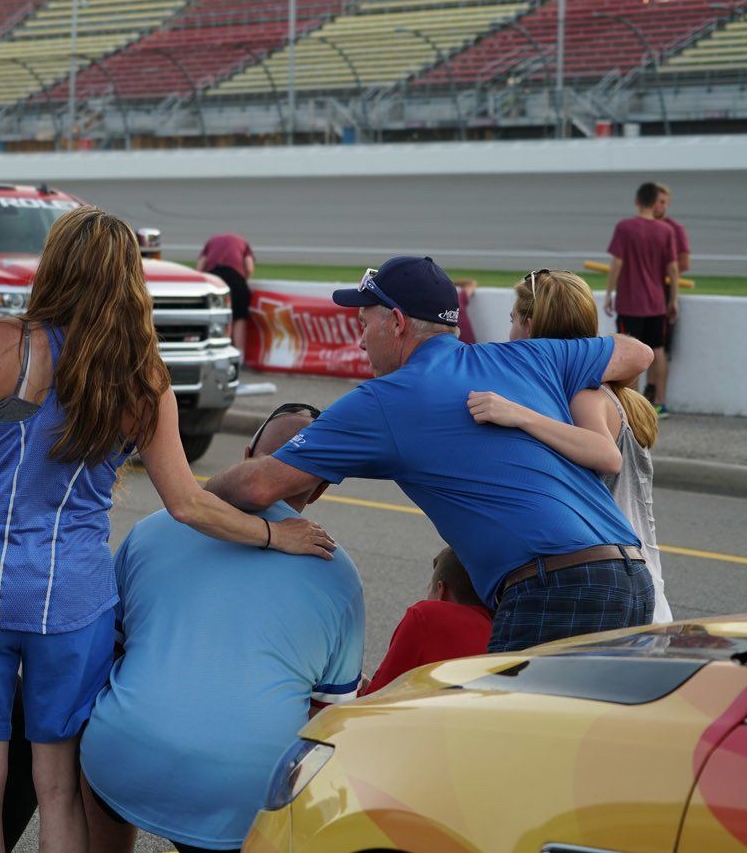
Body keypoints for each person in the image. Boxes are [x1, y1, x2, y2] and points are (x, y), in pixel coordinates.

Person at [0, 206, 334, 853]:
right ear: (129, 282)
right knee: (57, 789)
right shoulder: (143, 379)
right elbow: (189, 504)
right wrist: (275, 535)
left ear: (55, 268)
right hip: (71, 597)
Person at [204, 256, 656, 654]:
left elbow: (258, 486)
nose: (360, 342)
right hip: (633, 578)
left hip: (557, 589)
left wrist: (198, 494)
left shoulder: (385, 400)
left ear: (397, 323)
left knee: (516, 727)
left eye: (364, 324)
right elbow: (636, 352)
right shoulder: (528, 357)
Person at [80, 404, 364, 853]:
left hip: (123, 758)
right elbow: (328, 719)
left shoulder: (154, 529)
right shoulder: (339, 574)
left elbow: (107, 653)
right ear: (321, 487)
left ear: (246, 454)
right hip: (241, 789)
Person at [464, 270, 671, 623]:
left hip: (619, 590)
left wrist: (519, 415)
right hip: (641, 585)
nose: (509, 333)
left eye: (513, 320)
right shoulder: (609, 389)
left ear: (530, 325)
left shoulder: (585, 394)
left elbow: (607, 456)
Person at [360, 545, 491, 695]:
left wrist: (362, 690)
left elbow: (380, 696)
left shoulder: (427, 617)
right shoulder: (500, 630)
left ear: (441, 590)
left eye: (429, 588)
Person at [604, 182, 679, 414]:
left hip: (630, 304)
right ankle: (660, 403)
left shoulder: (625, 228)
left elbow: (617, 263)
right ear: (655, 202)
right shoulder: (666, 231)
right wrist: (673, 299)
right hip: (656, 303)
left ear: (637, 201)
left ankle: (634, 407)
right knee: (658, 350)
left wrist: (609, 293)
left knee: (630, 353)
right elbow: (673, 268)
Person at [652, 183, 690, 394]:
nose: (659, 205)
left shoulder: (675, 229)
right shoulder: (638, 227)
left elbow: (683, 264)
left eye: (663, 202)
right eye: (656, 201)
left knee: (661, 348)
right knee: (643, 347)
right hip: (641, 295)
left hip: (662, 292)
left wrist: (659, 275)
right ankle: (647, 396)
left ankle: (660, 399)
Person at [197, 233, 254, 360]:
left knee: (209, 316)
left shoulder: (211, 241)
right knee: (239, 318)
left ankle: (206, 351)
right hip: (236, 278)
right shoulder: (243, 242)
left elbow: (200, 267)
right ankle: (240, 355)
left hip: (214, 278)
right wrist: (243, 282)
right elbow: (249, 267)